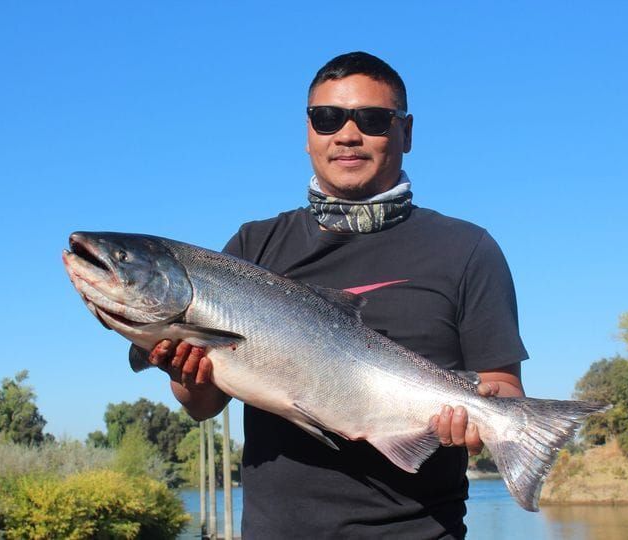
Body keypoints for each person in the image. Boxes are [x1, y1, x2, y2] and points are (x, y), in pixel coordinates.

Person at [140, 52, 527, 539]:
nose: (347, 134)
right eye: (327, 119)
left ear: (406, 133)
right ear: (307, 135)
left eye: (373, 119)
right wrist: (190, 379)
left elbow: (505, 388)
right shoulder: (252, 246)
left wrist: (481, 420)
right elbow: (202, 405)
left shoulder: (468, 249)